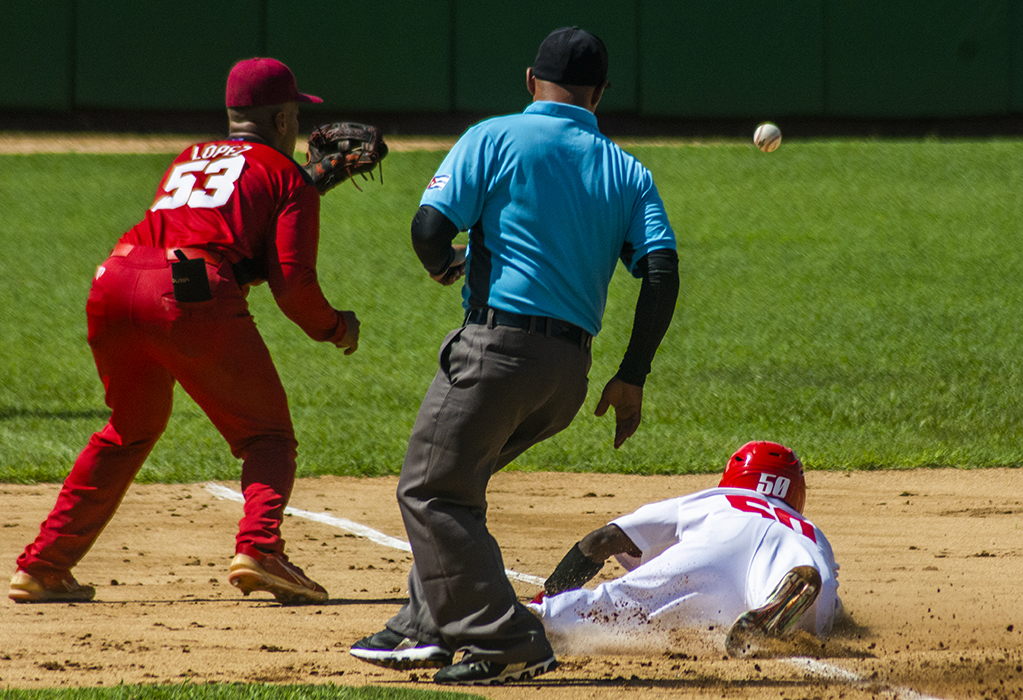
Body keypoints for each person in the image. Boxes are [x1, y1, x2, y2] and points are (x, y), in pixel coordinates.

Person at [349, 26, 679, 685]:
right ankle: (427, 623)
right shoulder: (626, 170)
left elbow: (428, 228)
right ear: (601, 93)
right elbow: (661, 272)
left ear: (532, 81)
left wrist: (445, 265)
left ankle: (507, 638)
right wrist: (632, 375)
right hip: (567, 378)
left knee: (431, 488)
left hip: (497, 354)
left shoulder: (495, 136)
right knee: (459, 479)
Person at [8, 57, 359, 605]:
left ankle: (45, 565)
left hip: (114, 282)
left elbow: (222, 236)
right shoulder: (287, 177)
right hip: (187, 294)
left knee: (129, 428)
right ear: (284, 120)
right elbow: (291, 285)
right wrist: (336, 327)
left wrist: (298, 187)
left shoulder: (189, 157)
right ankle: (260, 547)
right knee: (266, 437)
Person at [528, 441, 843, 658]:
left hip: (717, 547)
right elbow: (831, 594)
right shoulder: (811, 531)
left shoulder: (718, 499)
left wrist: (550, 591)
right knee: (813, 600)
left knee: (623, 605)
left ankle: (540, 615)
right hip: (797, 560)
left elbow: (602, 540)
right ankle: (775, 610)